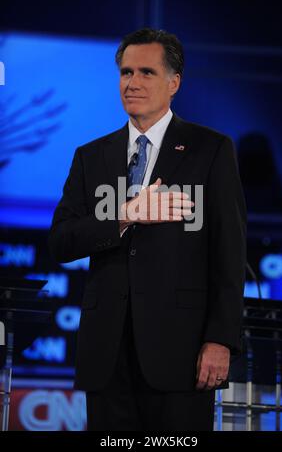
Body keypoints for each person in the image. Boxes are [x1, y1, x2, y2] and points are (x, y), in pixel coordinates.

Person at [48, 28, 247, 431]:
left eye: (146, 73)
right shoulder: (91, 156)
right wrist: (125, 214)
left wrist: (221, 339)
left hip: (182, 353)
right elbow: (61, 241)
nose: (132, 83)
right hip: (107, 356)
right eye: (125, 73)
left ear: (174, 83)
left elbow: (229, 253)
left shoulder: (210, 150)